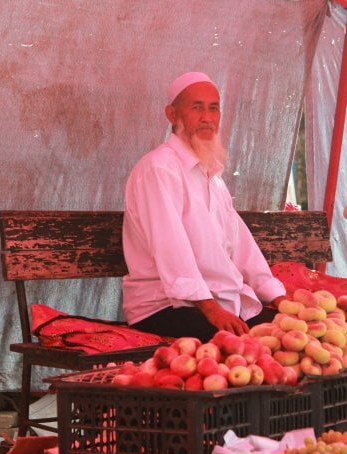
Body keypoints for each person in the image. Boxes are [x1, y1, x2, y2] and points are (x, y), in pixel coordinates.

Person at [122, 71, 287, 343]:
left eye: (214, 108)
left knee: (291, 334)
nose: (207, 117)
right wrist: (211, 309)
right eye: (196, 107)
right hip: (166, 307)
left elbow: (242, 246)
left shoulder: (212, 176)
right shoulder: (159, 169)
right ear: (172, 114)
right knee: (251, 347)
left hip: (217, 301)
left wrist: (277, 296)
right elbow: (170, 247)